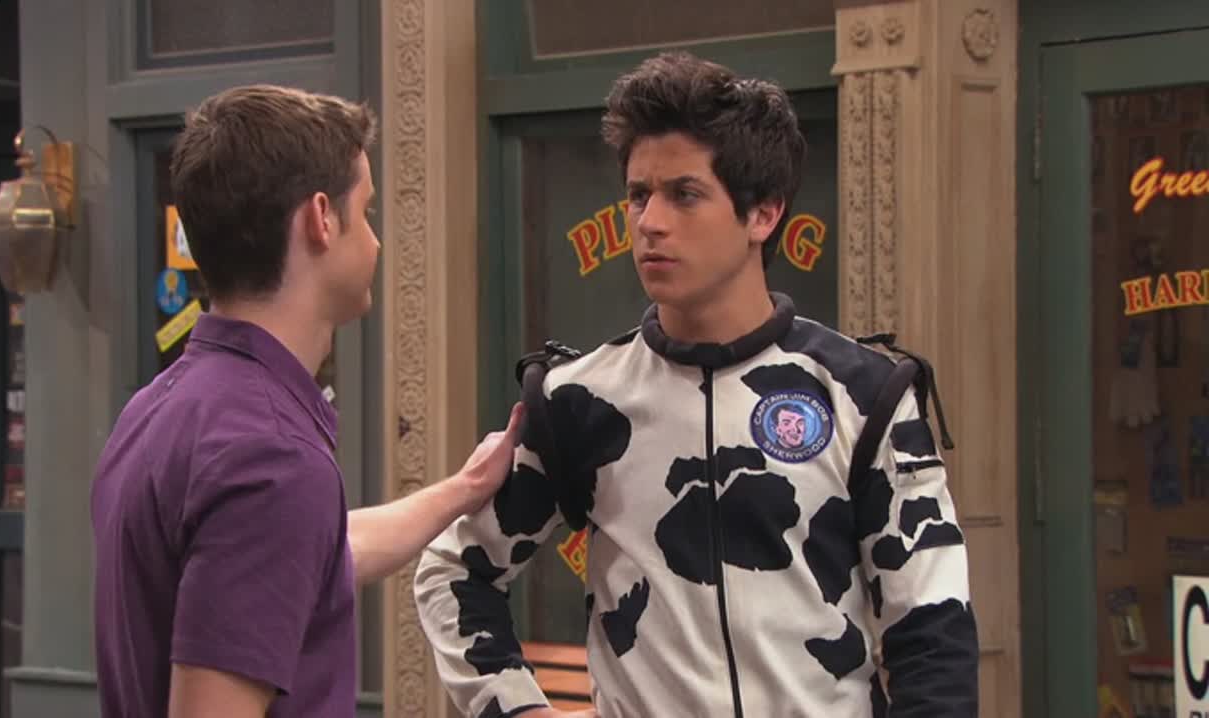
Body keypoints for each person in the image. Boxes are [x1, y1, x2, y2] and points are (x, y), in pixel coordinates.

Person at [414, 52, 979, 718]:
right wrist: (517, 709)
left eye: (684, 194)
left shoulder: (863, 393)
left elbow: (932, 628)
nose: (649, 221)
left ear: (762, 213)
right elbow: (455, 570)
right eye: (638, 195)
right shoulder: (578, 401)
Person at [90, 85, 524, 718]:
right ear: (321, 219)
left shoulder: (161, 408)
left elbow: (311, 553)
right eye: (365, 211)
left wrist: (466, 488)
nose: (375, 242)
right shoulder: (269, 456)